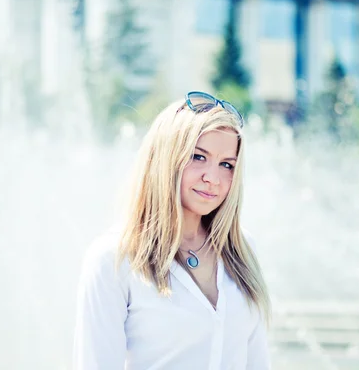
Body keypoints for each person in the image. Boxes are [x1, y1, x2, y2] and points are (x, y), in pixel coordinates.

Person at [73, 91, 272, 369]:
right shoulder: (114, 258)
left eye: (227, 164)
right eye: (198, 157)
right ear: (166, 157)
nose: (212, 178)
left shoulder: (241, 249)